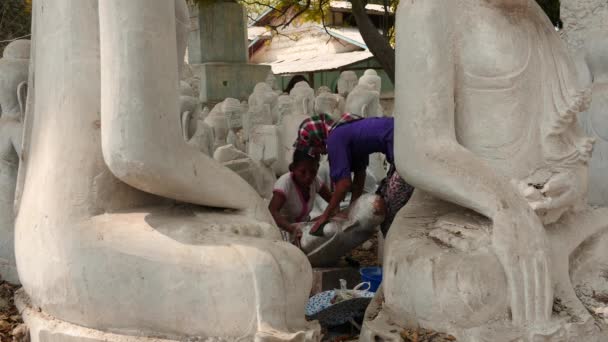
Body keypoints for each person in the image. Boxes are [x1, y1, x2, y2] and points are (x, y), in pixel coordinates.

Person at [294, 113, 414, 236]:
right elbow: (359, 176)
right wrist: (351, 211)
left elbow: (344, 184)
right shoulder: (348, 131)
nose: (320, 153)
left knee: (389, 212)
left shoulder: (335, 138)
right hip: (406, 136)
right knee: (384, 196)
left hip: (407, 148)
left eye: (316, 150)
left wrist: (325, 216)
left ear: (316, 140)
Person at [268, 149, 332, 245]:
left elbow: (332, 200)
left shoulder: (315, 181)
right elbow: (272, 212)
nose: (308, 177)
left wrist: (330, 214)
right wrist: (292, 229)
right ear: (293, 168)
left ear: (317, 168)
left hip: (303, 228)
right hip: (283, 231)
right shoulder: (285, 183)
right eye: (303, 172)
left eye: (313, 172)